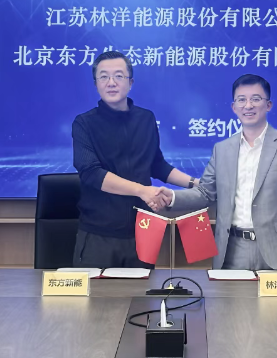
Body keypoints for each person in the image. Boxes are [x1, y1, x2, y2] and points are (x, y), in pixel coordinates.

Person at [161, 74, 277, 271]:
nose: (248, 105)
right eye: (241, 100)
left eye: (256, 99)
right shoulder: (222, 149)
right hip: (231, 250)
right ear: (234, 107)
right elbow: (205, 192)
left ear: (268, 105)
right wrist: (172, 197)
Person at [71, 51, 196, 268]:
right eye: (104, 77)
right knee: (96, 292)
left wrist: (195, 184)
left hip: (142, 231)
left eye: (118, 76)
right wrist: (142, 190)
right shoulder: (84, 123)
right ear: (96, 84)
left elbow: (156, 165)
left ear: (130, 82)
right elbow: (91, 173)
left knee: (141, 290)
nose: (111, 82)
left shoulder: (146, 118)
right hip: (98, 235)